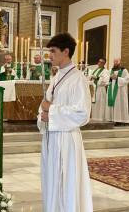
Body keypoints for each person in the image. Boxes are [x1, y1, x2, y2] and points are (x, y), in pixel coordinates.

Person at [39, 33, 92, 212]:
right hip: (52, 138)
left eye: (53, 51)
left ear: (66, 51)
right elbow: (45, 106)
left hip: (67, 140)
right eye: (49, 51)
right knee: (52, 180)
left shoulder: (77, 79)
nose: (50, 56)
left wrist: (51, 111)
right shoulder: (56, 78)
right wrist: (43, 115)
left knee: (65, 182)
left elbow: (82, 114)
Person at [105, 58, 129, 125]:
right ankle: (111, 119)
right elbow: (105, 79)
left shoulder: (124, 70)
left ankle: (119, 120)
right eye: (114, 61)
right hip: (111, 90)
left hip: (120, 91)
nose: (115, 62)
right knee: (112, 103)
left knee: (118, 104)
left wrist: (117, 78)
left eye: (117, 61)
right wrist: (110, 77)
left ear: (120, 62)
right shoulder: (110, 70)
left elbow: (127, 79)